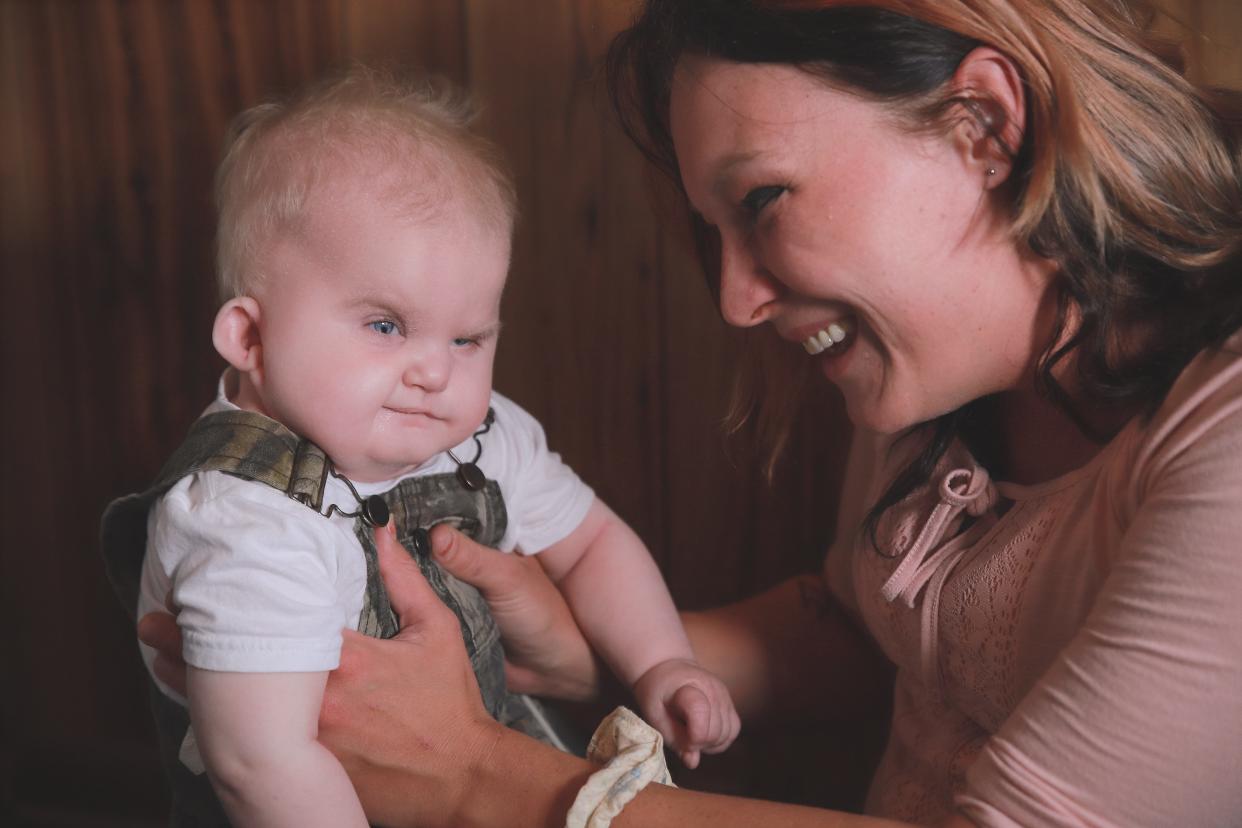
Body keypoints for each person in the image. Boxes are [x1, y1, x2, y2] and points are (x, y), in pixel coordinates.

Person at [139, 0, 1242, 825]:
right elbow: (870, 637)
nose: (734, 298)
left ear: (983, 128)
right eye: (713, 234)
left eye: (762, 202)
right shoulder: (937, 380)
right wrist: (584, 653)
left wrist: (478, 770)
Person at [102, 66, 738, 828]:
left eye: (467, 337)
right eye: (384, 325)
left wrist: (661, 659)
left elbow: (592, 540)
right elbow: (260, 765)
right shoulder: (248, 520)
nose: (435, 371)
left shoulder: (484, 435)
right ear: (250, 336)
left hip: (489, 759)